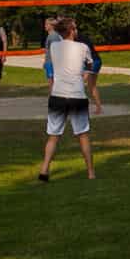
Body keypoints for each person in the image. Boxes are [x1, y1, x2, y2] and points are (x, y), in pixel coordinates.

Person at [40, 17, 100, 182]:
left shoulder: (54, 46)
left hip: (57, 95)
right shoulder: (83, 47)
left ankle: (44, 170)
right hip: (77, 95)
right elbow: (90, 64)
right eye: (75, 27)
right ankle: (91, 173)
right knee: (83, 135)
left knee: (53, 135)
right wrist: (85, 74)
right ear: (72, 30)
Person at [42, 16, 59, 85]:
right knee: (51, 83)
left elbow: (55, 51)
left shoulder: (53, 36)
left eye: (46, 24)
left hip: (52, 63)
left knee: (52, 83)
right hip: (50, 62)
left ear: (51, 26)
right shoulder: (51, 35)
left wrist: (49, 63)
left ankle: (53, 95)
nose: (45, 26)